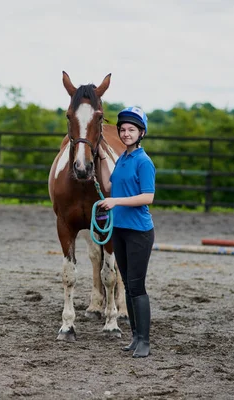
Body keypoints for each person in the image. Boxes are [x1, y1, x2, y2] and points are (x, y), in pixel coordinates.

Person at [97, 106, 156, 358]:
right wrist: (100, 158)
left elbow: (148, 197)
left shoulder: (144, 161)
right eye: (122, 130)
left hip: (139, 232)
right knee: (129, 289)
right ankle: (135, 337)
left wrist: (116, 202)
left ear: (141, 132)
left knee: (137, 286)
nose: (126, 133)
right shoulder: (122, 158)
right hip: (119, 230)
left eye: (131, 130)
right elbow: (110, 185)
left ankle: (144, 341)